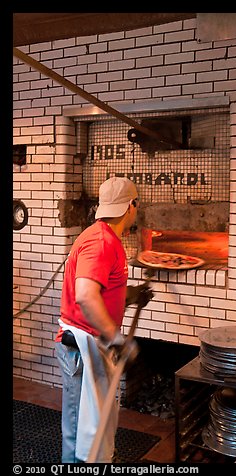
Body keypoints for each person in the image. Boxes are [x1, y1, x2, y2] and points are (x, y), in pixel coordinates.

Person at [54, 176, 153, 463]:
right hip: (80, 350)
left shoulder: (106, 237)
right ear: (131, 206)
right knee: (78, 431)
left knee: (91, 426)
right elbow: (86, 296)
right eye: (136, 204)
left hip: (90, 344)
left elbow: (100, 291)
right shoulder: (101, 242)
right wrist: (115, 336)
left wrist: (131, 295)